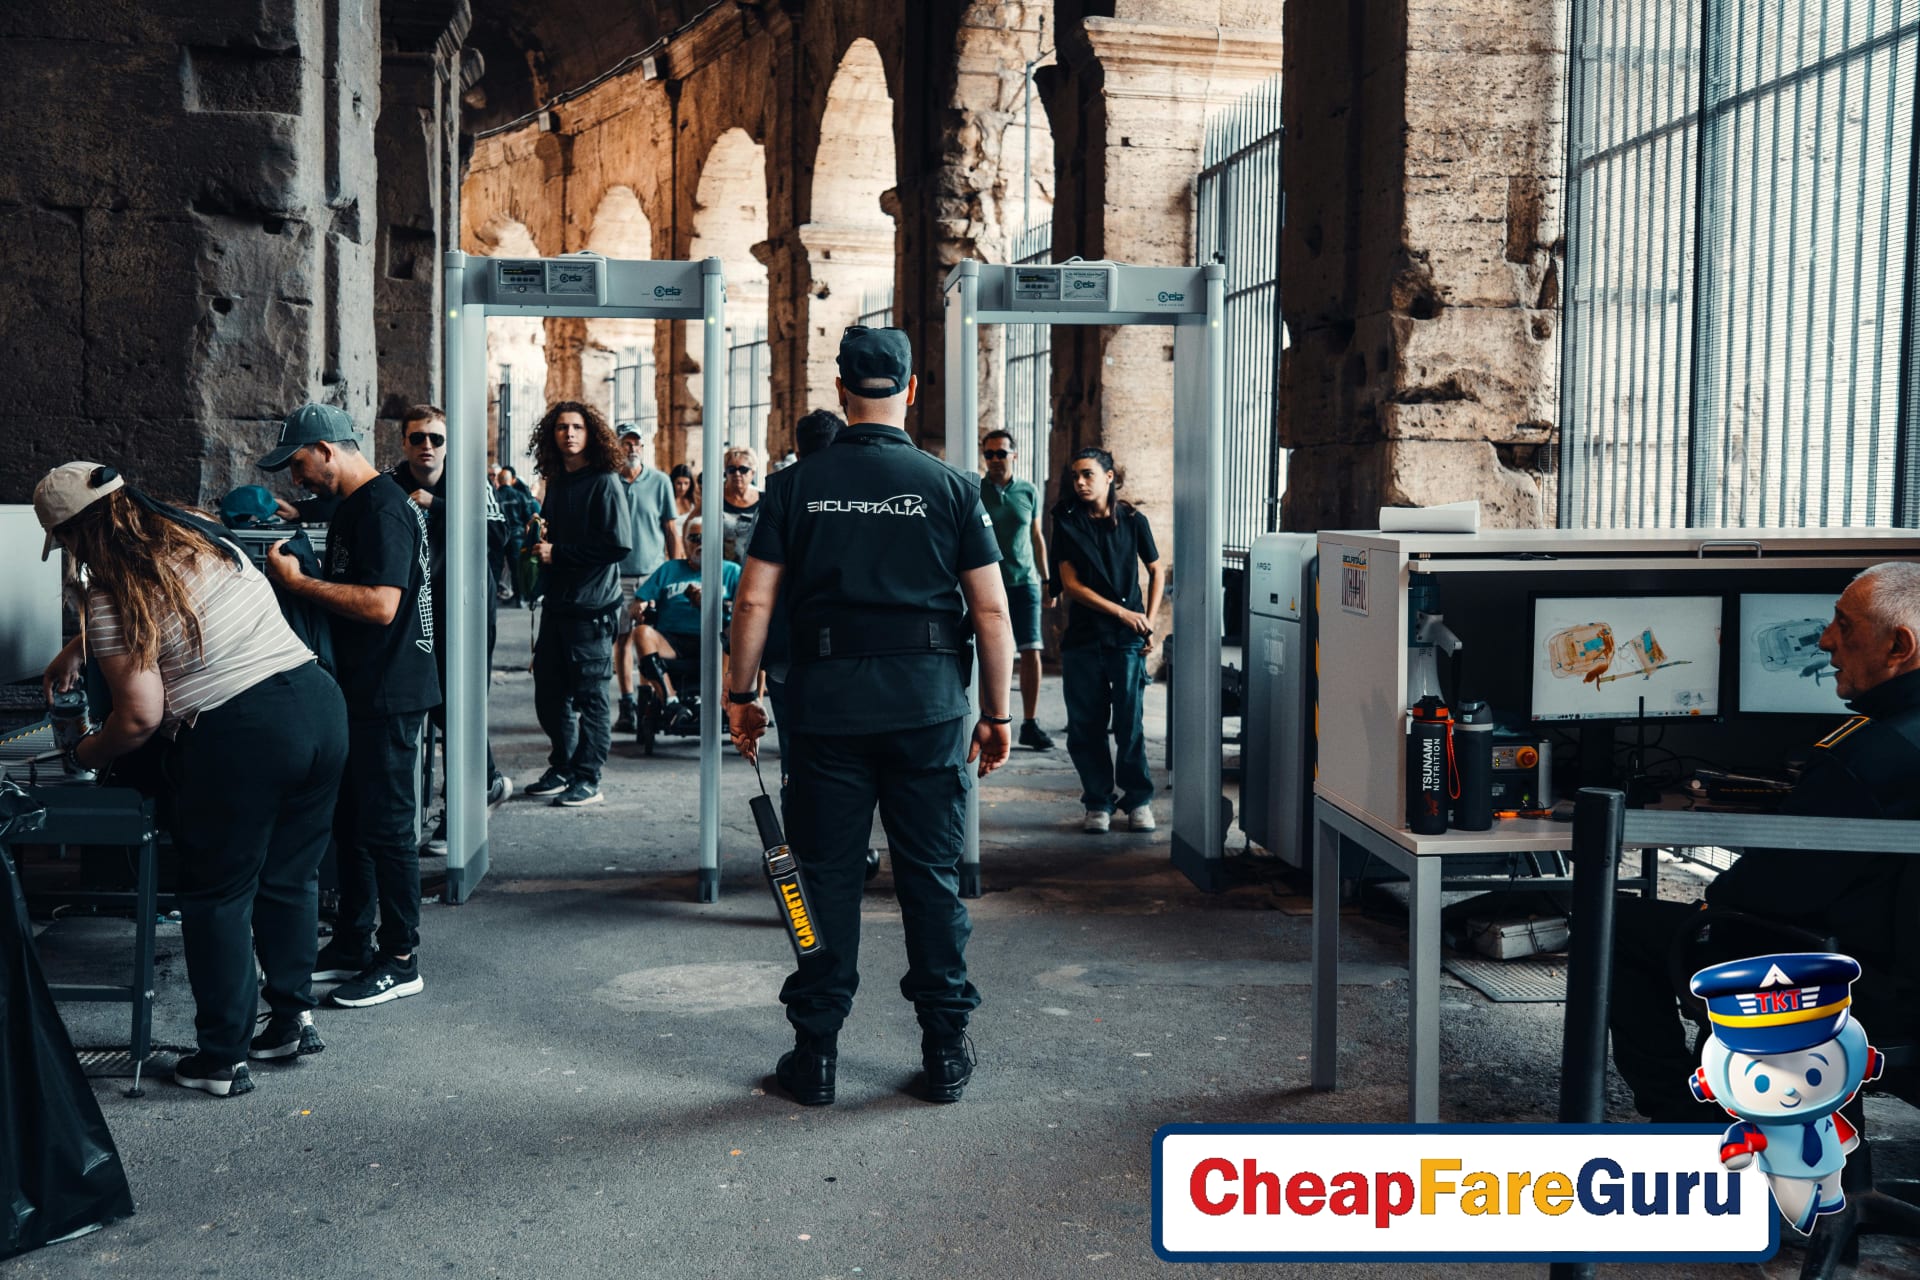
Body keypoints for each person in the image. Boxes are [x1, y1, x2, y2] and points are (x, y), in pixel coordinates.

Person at [726, 325, 1014, 1108]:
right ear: (912, 389)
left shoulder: (793, 486)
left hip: (827, 711)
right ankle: (945, 1051)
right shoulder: (954, 488)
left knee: (823, 878)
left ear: (841, 390)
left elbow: (753, 598)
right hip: (927, 709)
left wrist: (741, 695)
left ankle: (816, 1053)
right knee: (930, 877)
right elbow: (990, 611)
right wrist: (997, 713)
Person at [35, 462, 348, 1098]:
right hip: (318, 704)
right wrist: (82, 646)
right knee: (289, 876)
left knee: (218, 897)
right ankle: (290, 1019)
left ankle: (220, 1059)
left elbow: (141, 715)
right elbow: (181, 617)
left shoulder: (111, 592)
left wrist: (89, 752)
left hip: (244, 735)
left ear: (75, 534)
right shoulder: (204, 536)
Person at [1608, 562, 1920, 1122]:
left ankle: (1680, 1113)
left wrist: (1711, 907)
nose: (1825, 640)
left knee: (1615, 926)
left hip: (1853, 987)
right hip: (1899, 982)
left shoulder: (1869, 757)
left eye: (1844, 626)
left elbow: (1763, 894)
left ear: (1899, 646)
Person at [260, 403, 439, 1009]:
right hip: (365, 689)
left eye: (300, 464)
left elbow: (384, 605)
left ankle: (400, 958)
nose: (297, 479)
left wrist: (296, 584)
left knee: (387, 827)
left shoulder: (383, 508)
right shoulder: (360, 506)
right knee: (355, 821)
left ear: (329, 449)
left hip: (389, 692)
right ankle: (355, 942)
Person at [385, 405, 512, 856]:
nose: (426, 447)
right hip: (413, 613)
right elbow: (354, 500)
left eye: (436, 439)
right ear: (404, 441)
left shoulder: (470, 481)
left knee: (458, 708)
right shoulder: (392, 481)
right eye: (418, 438)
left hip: (466, 612)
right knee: (436, 707)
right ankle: (483, 785)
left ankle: (465, 806)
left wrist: (436, 507)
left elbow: (497, 535)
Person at [521, 401, 634, 807]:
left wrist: (559, 554)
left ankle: (589, 778)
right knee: (549, 693)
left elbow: (618, 544)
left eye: (577, 428)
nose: (569, 434)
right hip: (558, 604)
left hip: (592, 608)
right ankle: (564, 765)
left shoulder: (605, 481)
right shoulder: (557, 480)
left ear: (591, 434)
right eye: (562, 427)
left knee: (591, 698)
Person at [1049, 447, 1164, 834]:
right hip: (1084, 636)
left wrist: (1148, 619)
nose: (1080, 483)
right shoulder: (1065, 521)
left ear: (1109, 477)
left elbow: (1155, 568)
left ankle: (1138, 800)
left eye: (1088, 475)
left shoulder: (1133, 520)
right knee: (1085, 724)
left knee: (1129, 722)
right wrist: (1123, 613)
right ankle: (1097, 801)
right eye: (1075, 476)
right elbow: (1070, 586)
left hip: (1126, 639)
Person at [763, 409, 845, 775]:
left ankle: (798, 821)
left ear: (797, 449)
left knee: (795, 760)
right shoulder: (863, 491)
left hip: (791, 646)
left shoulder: (781, 490)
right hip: (852, 650)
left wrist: (742, 687)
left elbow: (756, 595)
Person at [979, 430, 1054, 752]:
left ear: (1015, 455)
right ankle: (991, 717)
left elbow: (1036, 536)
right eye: (989, 454)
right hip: (988, 581)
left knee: (1031, 650)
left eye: (1001, 453)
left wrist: (1048, 579)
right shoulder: (975, 489)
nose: (995, 460)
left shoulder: (1028, 491)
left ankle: (1030, 722)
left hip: (1025, 580)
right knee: (991, 652)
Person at [629, 516, 740, 722]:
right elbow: (637, 602)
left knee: (735, 634)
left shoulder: (731, 571)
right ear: (685, 542)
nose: (700, 544)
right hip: (672, 640)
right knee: (641, 633)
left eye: (706, 538)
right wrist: (642, 606)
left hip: (716, 642)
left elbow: (745, 611)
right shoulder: (669, 569)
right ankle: (671, 702)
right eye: (694, 538)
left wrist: (709, 604)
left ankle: (718, 701)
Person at [612, 422, 684, 734]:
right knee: (622, 639)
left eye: (636, 443)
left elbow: (670, 528)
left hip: (653, 574)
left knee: (648, 639)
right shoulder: (610, 482)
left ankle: (647, 702)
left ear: (644, 447)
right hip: (618, 575)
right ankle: (626, 703)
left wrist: (679, 570)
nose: (631, 448)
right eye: (626, 443)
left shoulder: (659, 482)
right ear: (618, 446)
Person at [493, 465, 540, 606]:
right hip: (517, 536)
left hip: (498, 537)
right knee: (516, 568)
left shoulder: (495, 496)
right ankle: (519, 598)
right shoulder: (519, 496)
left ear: (499, 481)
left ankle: (492, 598)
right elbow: (528, 516)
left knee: (496, 567)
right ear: (511, 480)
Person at [719, 446, 762, 565]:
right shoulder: (716, 499)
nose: (737, 474)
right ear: (726, 473)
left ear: (752, 472)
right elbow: (691, 525)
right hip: (723, 570)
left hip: (755, 566)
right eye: (731, 469)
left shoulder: (764, 499)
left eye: (743, 469)